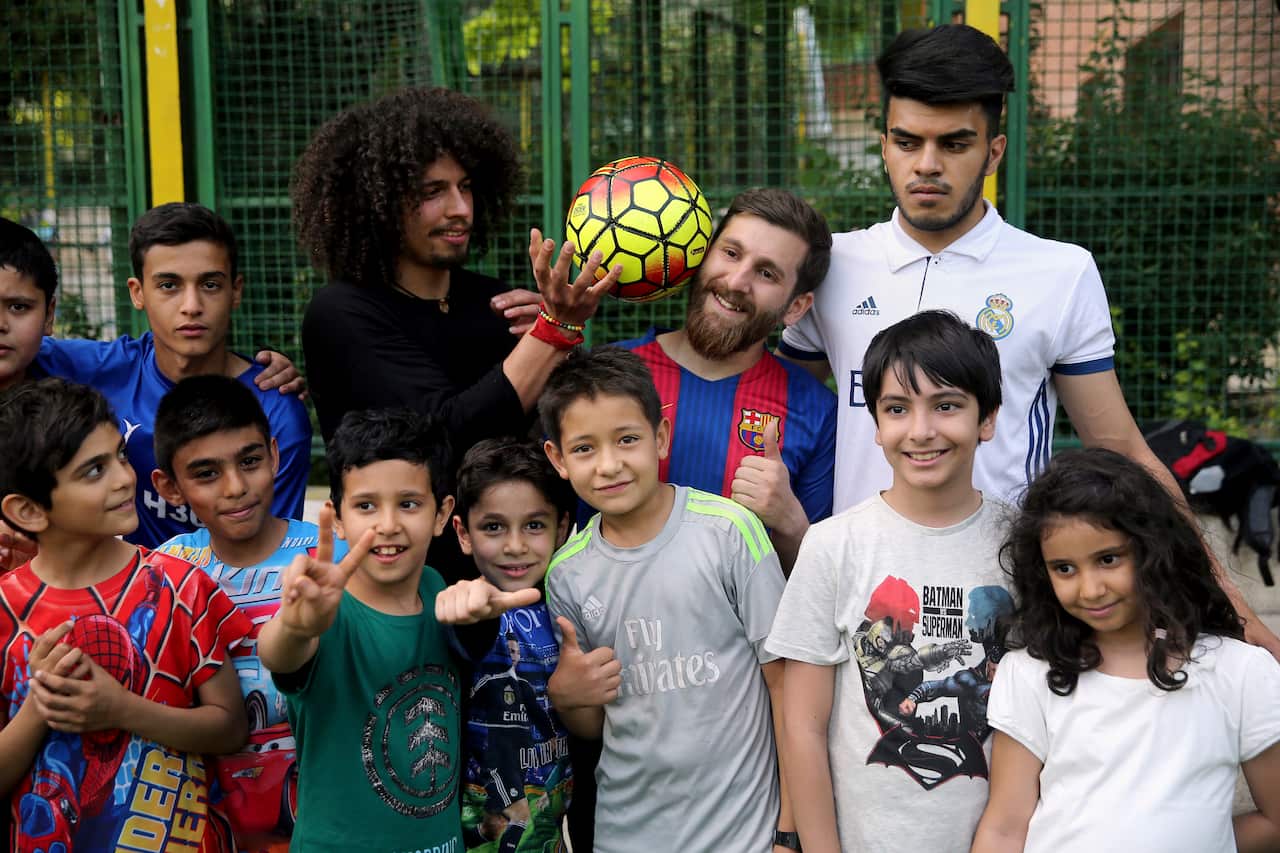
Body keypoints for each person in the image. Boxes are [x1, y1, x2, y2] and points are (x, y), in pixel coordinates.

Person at [777, 22, 1280, 659]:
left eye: (954, 143)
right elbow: (771, 400)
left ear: (994, 151)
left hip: (1011, 599)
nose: (926, 164)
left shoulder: (1059, 272)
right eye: (908, 142)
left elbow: (1122, 447)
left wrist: (1232, 608)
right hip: (862, 594)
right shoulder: (835, 266)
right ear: (884, 146)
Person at [296, 86, 619, 580]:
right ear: (376, 204)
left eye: (465, 187)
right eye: (432, 193)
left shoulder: (497, 303)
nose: (460, 209)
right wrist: (553, 335)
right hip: (412, 590)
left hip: (525, 581)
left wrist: (563, 351)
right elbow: (444, 434)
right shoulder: (342, 311)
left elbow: (560, 433)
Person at [766, 311, 1013, 852]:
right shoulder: (833, 545)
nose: (921, 431)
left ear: (987, 418)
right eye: (897, 409)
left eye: (946, 406)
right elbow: (802, 726)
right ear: (875, 424)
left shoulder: (1022, 548)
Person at [537, 346, 793, 852]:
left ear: (661, 437)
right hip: (627, 834)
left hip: (744, 835)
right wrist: (568, 696)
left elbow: (787, 685)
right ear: (558, 460)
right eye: (585, 448)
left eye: (627, 439)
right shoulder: (566, 573)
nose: (609, 465)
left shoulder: (729, 532)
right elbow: (594, 722)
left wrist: (789, 827)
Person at [256, 408, 538, 852]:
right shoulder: (325, 612)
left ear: (442, 514)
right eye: (366, 505)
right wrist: (295, 624)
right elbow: (279, 654)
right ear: (340, 518)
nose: (388, 524)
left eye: (408, 503)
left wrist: (482, 614)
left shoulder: (435, 588)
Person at [971, 448, 1280, 852]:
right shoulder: (1029, 673)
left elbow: (1274, 821)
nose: (1091, 589)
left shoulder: (1240, 672)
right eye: (1064, 568)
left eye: (1109, 558)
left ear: (1154, 550)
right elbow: (1005, 829)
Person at [0, 378, 251, 851]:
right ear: (28, 510)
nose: (123, 477)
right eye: (93, 470)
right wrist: (41, 705)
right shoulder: (5, 609)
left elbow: (231, 728)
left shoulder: (181, 588)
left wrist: (120, 709)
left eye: (119, 454)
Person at [30, 203, 310, 549]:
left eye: (210, 284)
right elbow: (17, 344)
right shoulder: (103, 369)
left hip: (237, 598)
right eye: (168, 285)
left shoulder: (276, 410)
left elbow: (272, 557)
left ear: (235, 291)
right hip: (135, 594)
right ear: (137, 292)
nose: (191, 305)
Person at [150, 375, 346, 852]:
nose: (236, 487)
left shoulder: (333, 558)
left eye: (250, 461)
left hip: (330, 816)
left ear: (275, 455)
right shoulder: (164, 572)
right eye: (206, 473)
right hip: (209, 824)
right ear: (170, 487)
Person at [618, 188, 836, 570]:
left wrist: (790, 523)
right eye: (731, 253)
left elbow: (824, 589)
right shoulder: (609, 374)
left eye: (766, 273)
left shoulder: (816, 412)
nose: (737, 281)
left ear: (796, 307)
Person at [452, 438, 575, 853]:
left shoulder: (570, 608)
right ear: (462, 532)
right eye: (493, 527)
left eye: (534, 525)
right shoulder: (463, 611)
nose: (515, 545)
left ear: (562, 528)